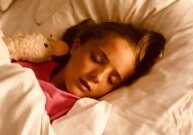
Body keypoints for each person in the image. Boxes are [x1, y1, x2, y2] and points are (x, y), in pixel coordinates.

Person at [19, 19, 165, 121]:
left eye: (112, 80)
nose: (98, 76)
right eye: (97, 58)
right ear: (76, 46)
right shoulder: (28, 61)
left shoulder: (77, 114)